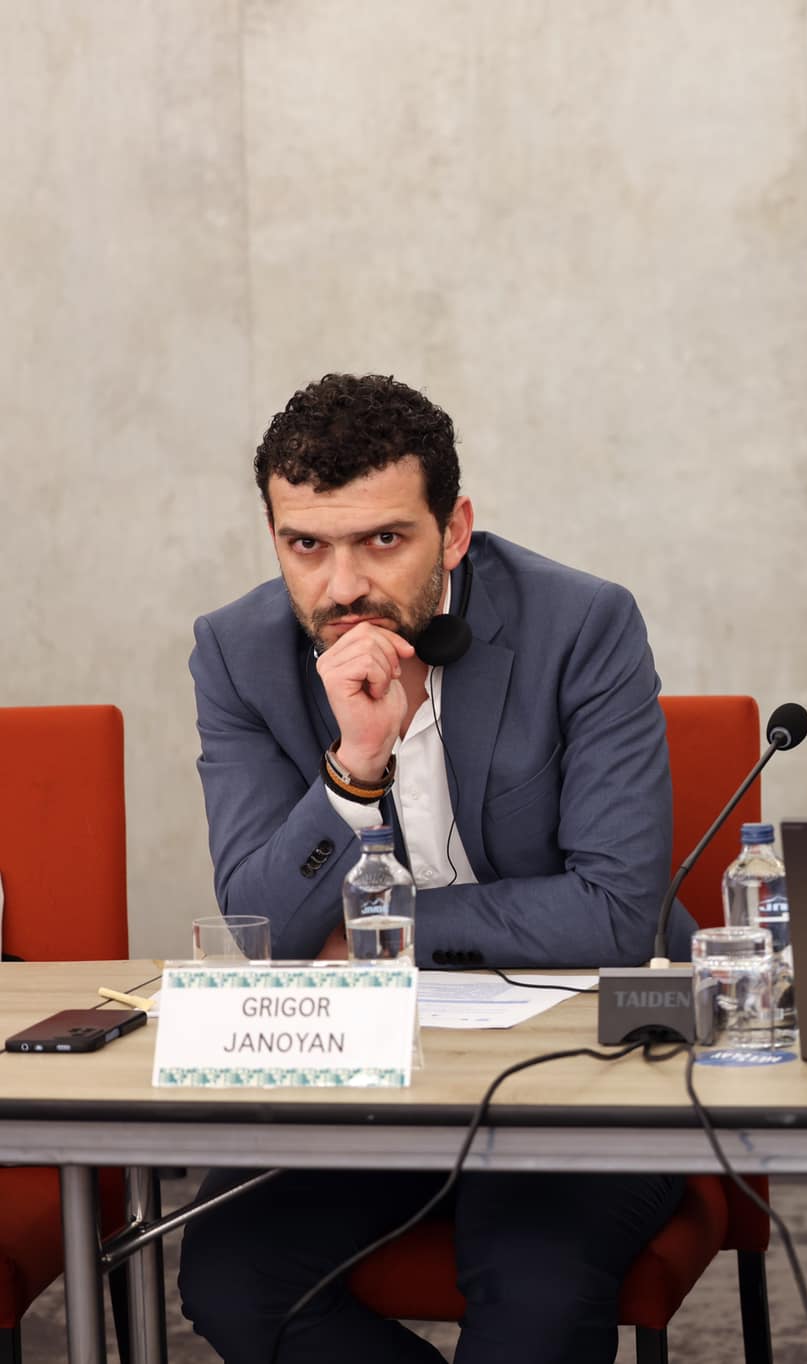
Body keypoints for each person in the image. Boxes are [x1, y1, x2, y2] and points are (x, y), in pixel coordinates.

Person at [178, 374, 690, 1363]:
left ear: (453, 531)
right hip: (360, 1068)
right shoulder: (237, 653)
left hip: (570, 1063)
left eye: (382, 539)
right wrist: (355, 764)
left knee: (535, 1286)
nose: (341, 587)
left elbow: (616, 912)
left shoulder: (581, 623)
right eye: (305, 545)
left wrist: (377, 933)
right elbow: (261, 929)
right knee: (233, 1280)